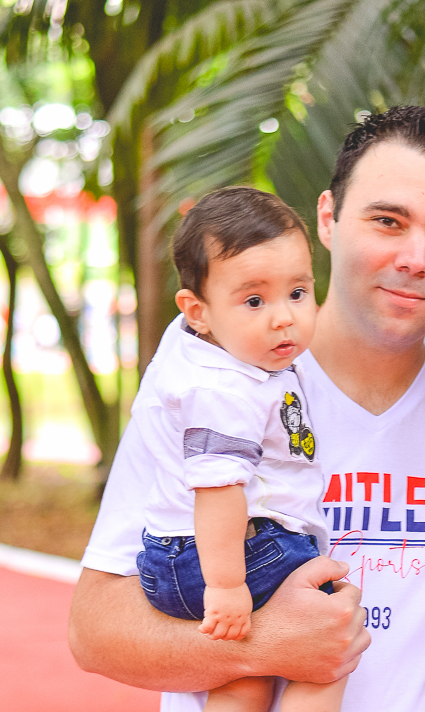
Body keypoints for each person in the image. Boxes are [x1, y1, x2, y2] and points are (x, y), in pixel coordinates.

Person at [69, 105, 425, 712]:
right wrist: (261, 649)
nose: (415, 258)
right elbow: (93, 631)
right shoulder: (206, 375)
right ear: (328, 218)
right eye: (387, 221)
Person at [128, 186, 345, 712]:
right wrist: (227, 588)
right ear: (197, 310)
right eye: (254, 300)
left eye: (298, 292)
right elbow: (219, 487)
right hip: (222, 557)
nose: (283, 317)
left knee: (243, 680)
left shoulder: (199, 347)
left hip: (174, 556)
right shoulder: (224, 390)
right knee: (331, 640)